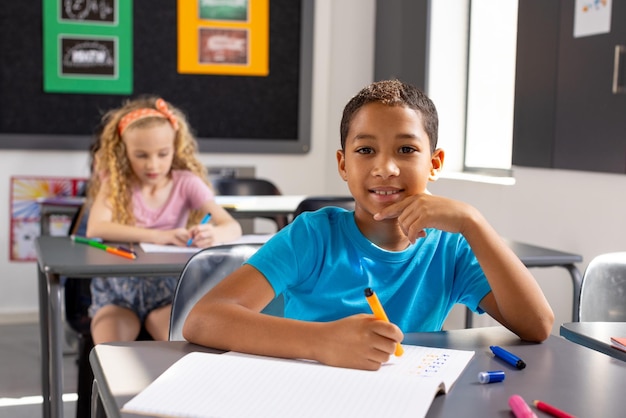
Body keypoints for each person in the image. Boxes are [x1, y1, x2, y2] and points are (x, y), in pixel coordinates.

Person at [183, 80, 554, 370]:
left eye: (406, 150)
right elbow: (203, 321)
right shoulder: (314, 235)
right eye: (365, 150)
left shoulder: (449, 248)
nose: (385, 168)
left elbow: (537, 325)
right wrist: (321, 342)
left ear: (435, 163)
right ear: (343, 165)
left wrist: (474, 222)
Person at [85, 96, 242, 344]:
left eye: (162, 154)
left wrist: (215, 234)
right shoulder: (115, 183)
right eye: (141, 155)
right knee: (110, 355)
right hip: (118, 294)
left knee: (182, 351)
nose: (153, 164)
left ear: (175, 148)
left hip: (170, 293)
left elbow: (232, 226)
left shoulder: (186, 182)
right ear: (124, 152)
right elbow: (96, 227)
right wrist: (160, 235)